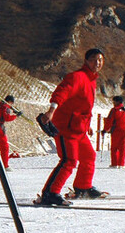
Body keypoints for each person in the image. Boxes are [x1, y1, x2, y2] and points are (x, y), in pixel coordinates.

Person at [36, 48, 105, 205]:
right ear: (86, 61)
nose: (97, 62)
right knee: (69, 160)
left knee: (89, 156)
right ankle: (50, 193)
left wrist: (87, 125)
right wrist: (51, 111)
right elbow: (61, 93)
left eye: (100, 60)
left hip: (79, 128)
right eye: (94, 59)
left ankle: (83, 187)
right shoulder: (77, 77)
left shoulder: (91, 80)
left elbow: (83, 107)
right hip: (66, 128)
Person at [103, 96, 125, 168]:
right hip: (124, 131)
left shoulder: (114, 110)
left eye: (114, 101)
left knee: (114, 148)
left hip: (116, 130)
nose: (113, 103)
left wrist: (105, 129)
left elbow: (109, 121)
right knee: (122, 148)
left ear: (118, 102)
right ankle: (121, 164)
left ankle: (114, 164)